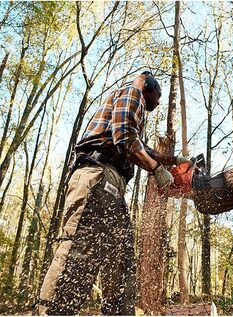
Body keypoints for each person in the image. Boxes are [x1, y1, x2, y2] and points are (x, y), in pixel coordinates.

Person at [37, 71, 191, 315]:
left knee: (119, 260)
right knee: (80, 248)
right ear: (148, 83)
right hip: (97, 177)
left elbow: (141, 147)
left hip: (112, 185)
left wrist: (174, 160)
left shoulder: (131, 105)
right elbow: (125, 140)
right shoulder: (133, 93)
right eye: (158, 95)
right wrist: (156, 169)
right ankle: (54, 312)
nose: (158, 102)